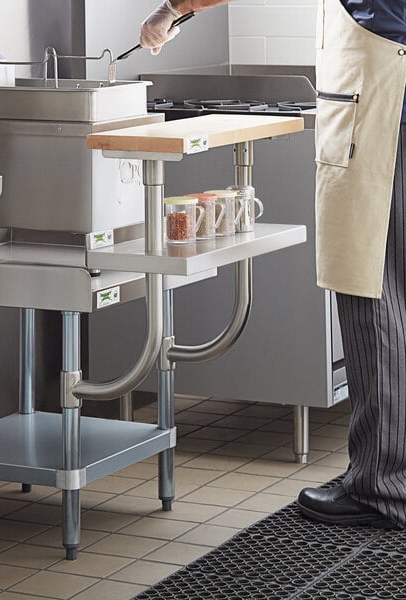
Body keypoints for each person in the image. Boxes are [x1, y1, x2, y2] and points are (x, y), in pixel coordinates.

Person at [140, 0, 406, 530]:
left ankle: (382, 486)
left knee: (369, 290)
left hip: (377, 111)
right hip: (388, 100)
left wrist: (172, 10)